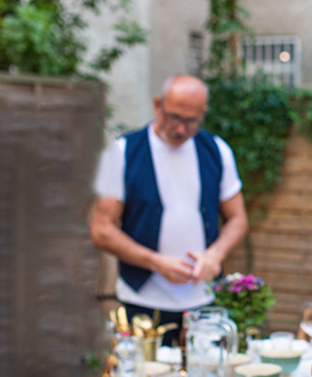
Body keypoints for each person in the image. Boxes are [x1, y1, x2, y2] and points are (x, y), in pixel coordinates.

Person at [90, 74, 249, 347]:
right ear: (157, 105)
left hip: (203, 303)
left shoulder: (218, 150)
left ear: (204, 113)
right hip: (141, 303)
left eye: (191, 121)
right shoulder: (120, 151)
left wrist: (215, 254)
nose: (180, 129)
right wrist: (155, 262)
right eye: (173, 117)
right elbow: (100, 229)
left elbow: (238, 219)